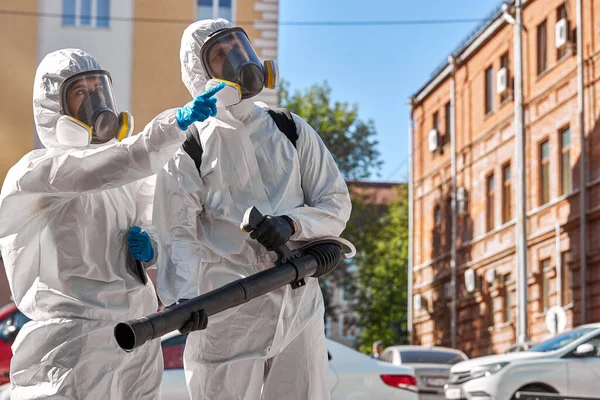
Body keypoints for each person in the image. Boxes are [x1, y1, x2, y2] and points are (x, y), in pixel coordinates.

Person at [0, 48, 221, 399]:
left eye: (98, 90)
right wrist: (173, 124)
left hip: (139, 331)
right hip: (74, 339)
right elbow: (103, 167)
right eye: (80, 93)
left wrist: (151, 251)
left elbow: (158, 222)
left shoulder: (125, 176)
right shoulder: (36, 172)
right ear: (53, 106)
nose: (95, 102)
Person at [152, 18, 352, 400]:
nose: (237, 60)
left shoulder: (290, 128)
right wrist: (184, 297)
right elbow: (176, 232)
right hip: (228, 311)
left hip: (298, 304)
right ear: (201, 74)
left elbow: (335, 201)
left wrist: (293, 224)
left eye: (239, 48)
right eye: (220, 55)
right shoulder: (191, 144)